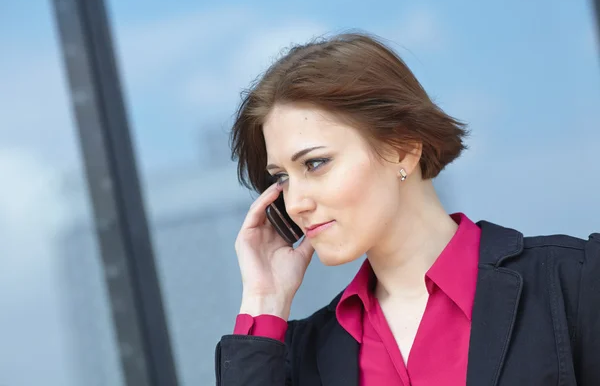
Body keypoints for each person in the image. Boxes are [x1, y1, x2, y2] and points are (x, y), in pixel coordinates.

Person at [214, 32, 599, 386]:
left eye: (315, 163)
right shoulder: (301, 355)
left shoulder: (575, 283)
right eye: (281, 177)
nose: (295, 203)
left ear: (403, 147)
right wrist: (264, 299)